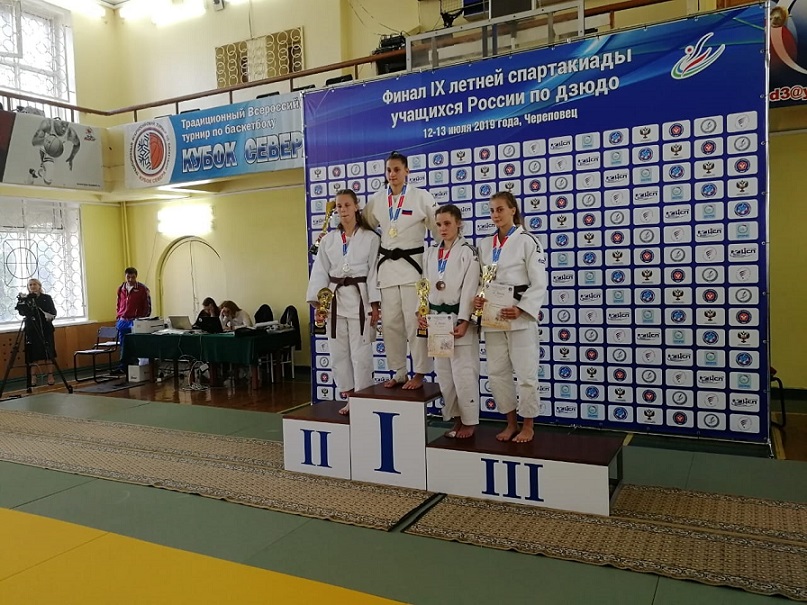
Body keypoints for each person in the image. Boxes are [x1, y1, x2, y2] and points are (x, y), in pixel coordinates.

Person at [474, 192, 548, 443]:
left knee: (526, 373)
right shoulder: (485, 244)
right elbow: (481, 280)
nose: (495, 215)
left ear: (512, 210)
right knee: (497, 372)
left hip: (519, 315)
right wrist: (479, 298)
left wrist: (522, 309)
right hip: (493, 315)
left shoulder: (528, 240)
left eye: (500, 209)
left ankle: (528, 425)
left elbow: (539, 282)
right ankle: (510, 423)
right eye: (492, 210)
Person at [363, 151, 437, 390]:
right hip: (387, 270)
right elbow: (365, 226)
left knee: (415, 323)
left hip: (413, 269)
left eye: (397, 169)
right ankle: (399, 371)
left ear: (407, 171)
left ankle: (420, 372)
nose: (392, 174)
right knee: (391, 325)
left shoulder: (421, 197)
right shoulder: (377, 200)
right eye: (389, 170)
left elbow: (438, 230)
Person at [307, 189, 381, 414]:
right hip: (335, 300)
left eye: (347, 205)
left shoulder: (371, 238)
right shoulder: (328, 240)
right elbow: (320, 271)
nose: (343, 210)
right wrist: (319, 303)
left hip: (361, 300)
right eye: (339, 206)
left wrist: (375, 304)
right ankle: (349, 397)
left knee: (360, 353)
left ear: (356, 206)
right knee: (338, 352)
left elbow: (374, 272)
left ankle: (363, 399)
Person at [419, 205, 480, 438]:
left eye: (447, 223)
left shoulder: (468, 252)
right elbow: (424, 285)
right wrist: (421, 312)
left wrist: (465, 320)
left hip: (458, 319)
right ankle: (455, 419)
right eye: (439, 224)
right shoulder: (430, 253)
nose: (442, 228)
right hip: (437, 320)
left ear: (458, 224)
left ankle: (469, 421)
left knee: (463, 373)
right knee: (444, 375)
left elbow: (470, 288)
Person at [16, 278, 57, 386]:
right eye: (30, 285)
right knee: (32, 354)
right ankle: (33, 377)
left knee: (48, 353)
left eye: (34, 284)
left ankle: (50, 375)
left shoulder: (46, 298)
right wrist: (22, 303)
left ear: (39, 286)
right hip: (32, 330)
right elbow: (22, 313)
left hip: (45, 329)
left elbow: (53, 312)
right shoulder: (26, 299)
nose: (32, 286)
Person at [115, 267, 151, 375]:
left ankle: (137, 367)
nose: (130, 279)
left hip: (136, 321)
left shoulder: (142, 289)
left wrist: (141, 319)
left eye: (133, 277)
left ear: (136, 276)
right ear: (125, 276)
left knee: (136, 343)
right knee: (123, 344)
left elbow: (147, 306)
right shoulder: (121, 288)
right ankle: (123, 367)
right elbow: (118, 303)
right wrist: (119, 316)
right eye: (128, 277)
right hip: (123, 321)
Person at [29, 118, 81, 186]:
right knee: (48, 181)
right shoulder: (47, 124)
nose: (64, 128)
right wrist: (49, 140)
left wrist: (72, 157)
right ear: (56, 122)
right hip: (45, 150)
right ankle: (38, 173)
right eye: (62, 124)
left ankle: (36, 173)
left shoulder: (70, 133)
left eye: (66, 125)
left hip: (56, 153)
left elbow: (77, 144)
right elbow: (34, 141)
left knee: (57, 177)